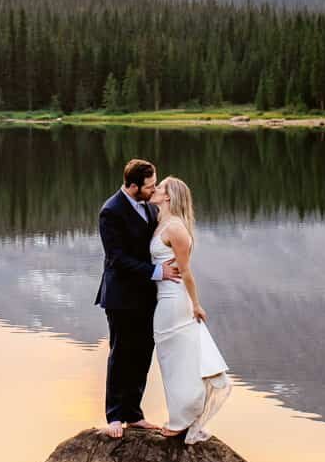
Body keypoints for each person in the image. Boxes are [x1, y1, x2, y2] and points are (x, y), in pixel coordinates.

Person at [96, 158, 181, 438]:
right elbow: (117, 259)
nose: (153, 189)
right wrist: (158, 271)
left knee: (143, 352)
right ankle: (114, 416)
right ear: (133, 186)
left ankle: (134, 414)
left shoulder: (147, 206)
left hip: (147, 296)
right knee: (121, 354)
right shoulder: (111, 211)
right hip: (120, 297)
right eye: (149, 185)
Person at [149, 176, 232, 442]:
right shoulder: (161, 221)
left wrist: (196, 305)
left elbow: (186, 272)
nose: (155, 189)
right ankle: (180, 416)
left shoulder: (176, 229)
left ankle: (182, 420)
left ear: (169, 196)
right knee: (170, 359)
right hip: (163, 299)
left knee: (178, 361)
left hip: (174, 302)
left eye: (159, 187)